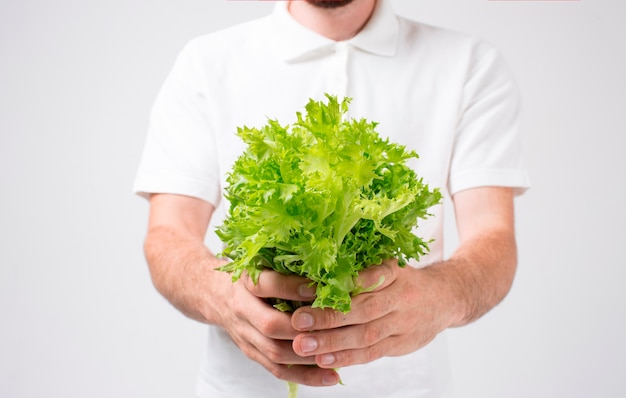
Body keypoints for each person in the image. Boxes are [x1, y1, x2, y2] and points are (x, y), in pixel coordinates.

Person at [133, 0, 530, 397]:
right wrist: (223, 295)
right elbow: (169, 233)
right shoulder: (207, 62)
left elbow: (493, 237)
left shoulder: (469, 65)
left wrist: (441, 295)